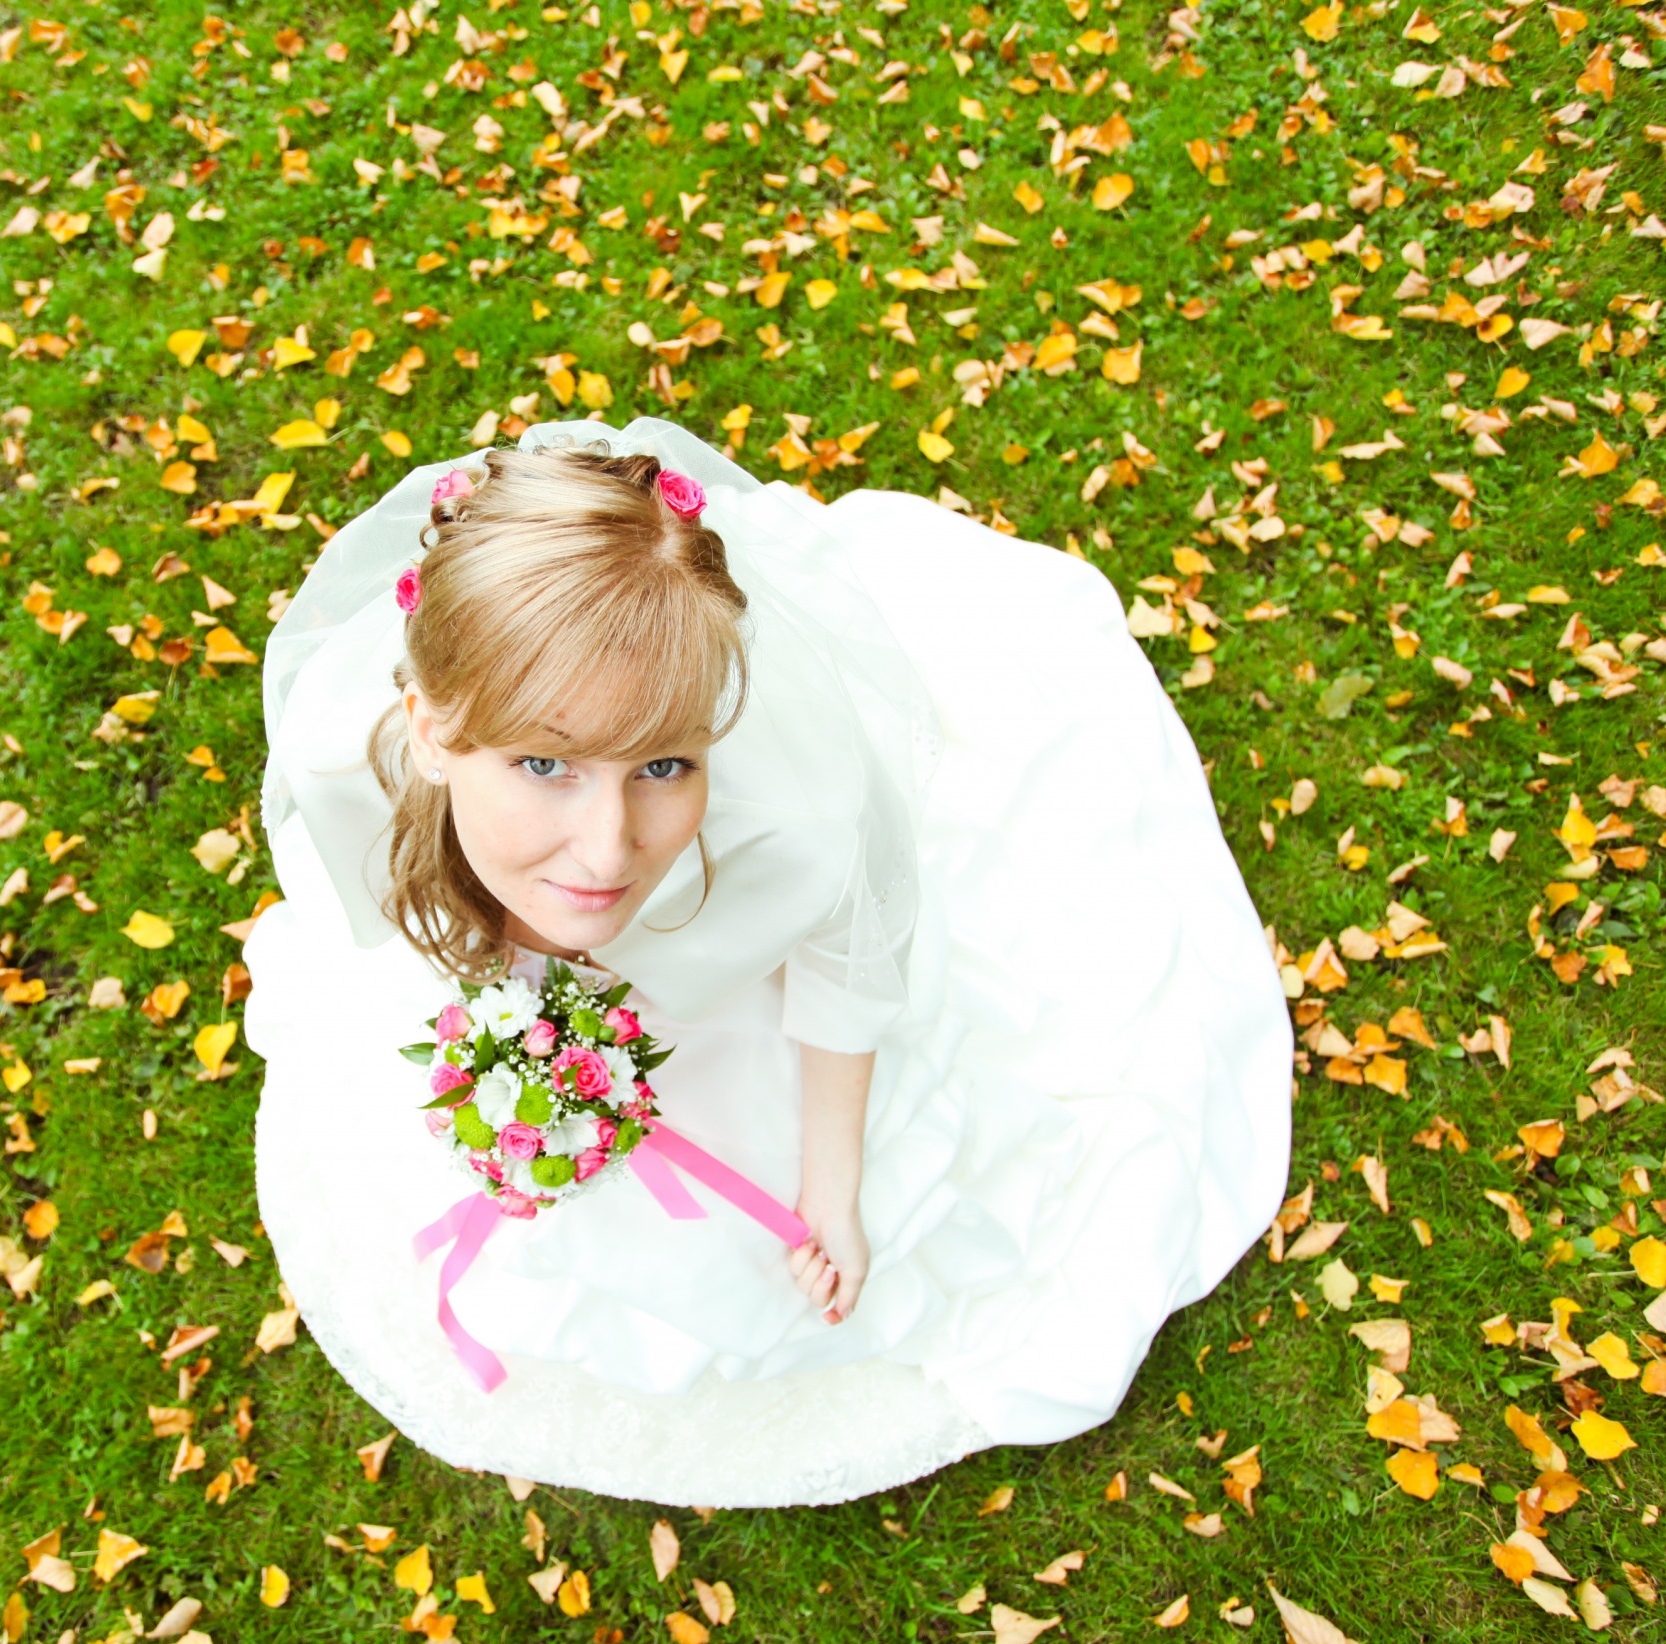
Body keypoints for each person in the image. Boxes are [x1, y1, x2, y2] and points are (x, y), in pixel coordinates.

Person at [243, 415, 1292, 1509]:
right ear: (428, 731)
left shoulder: (796, 823)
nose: (608, 850)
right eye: (545, 763)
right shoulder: (342, 774)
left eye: (663, 765)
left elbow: (850, 962)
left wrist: (832, 1184)